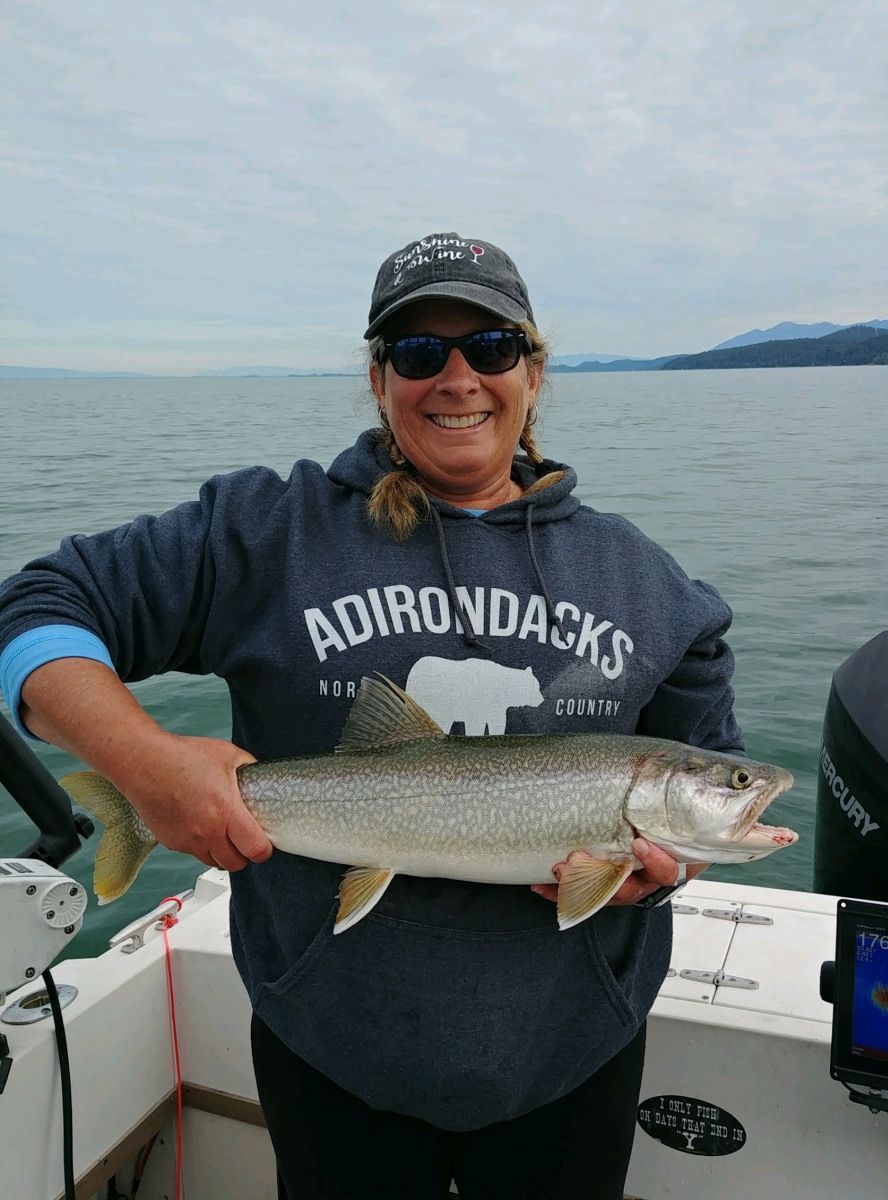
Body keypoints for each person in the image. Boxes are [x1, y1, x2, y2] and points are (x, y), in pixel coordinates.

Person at [0, 232, 744, 1199]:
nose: (458, 379)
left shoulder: (651, 586)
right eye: (419, 352)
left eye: (490, 346)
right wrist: (143, 764)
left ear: (534, 368)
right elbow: (35, 606)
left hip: (570, 1057)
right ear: (378, 376)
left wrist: (657, 871)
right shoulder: (266, 533)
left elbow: (709, 780)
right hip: (331, 1050)